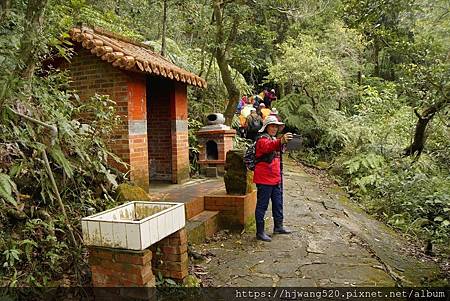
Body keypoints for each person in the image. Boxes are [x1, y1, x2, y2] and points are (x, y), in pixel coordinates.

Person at [253, 115, 293, 242]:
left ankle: (278, 226)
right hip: (264, 179)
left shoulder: (274, 139)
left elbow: (277, 149)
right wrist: (280, 141)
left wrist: (285, 143)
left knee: (278, 203)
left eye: (276, 126)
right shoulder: (262, 140)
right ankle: (260, 232)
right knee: (262, 206)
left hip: (276, 178)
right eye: (272, 126)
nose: (275, 128)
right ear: (266, 127)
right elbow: (268, 147)